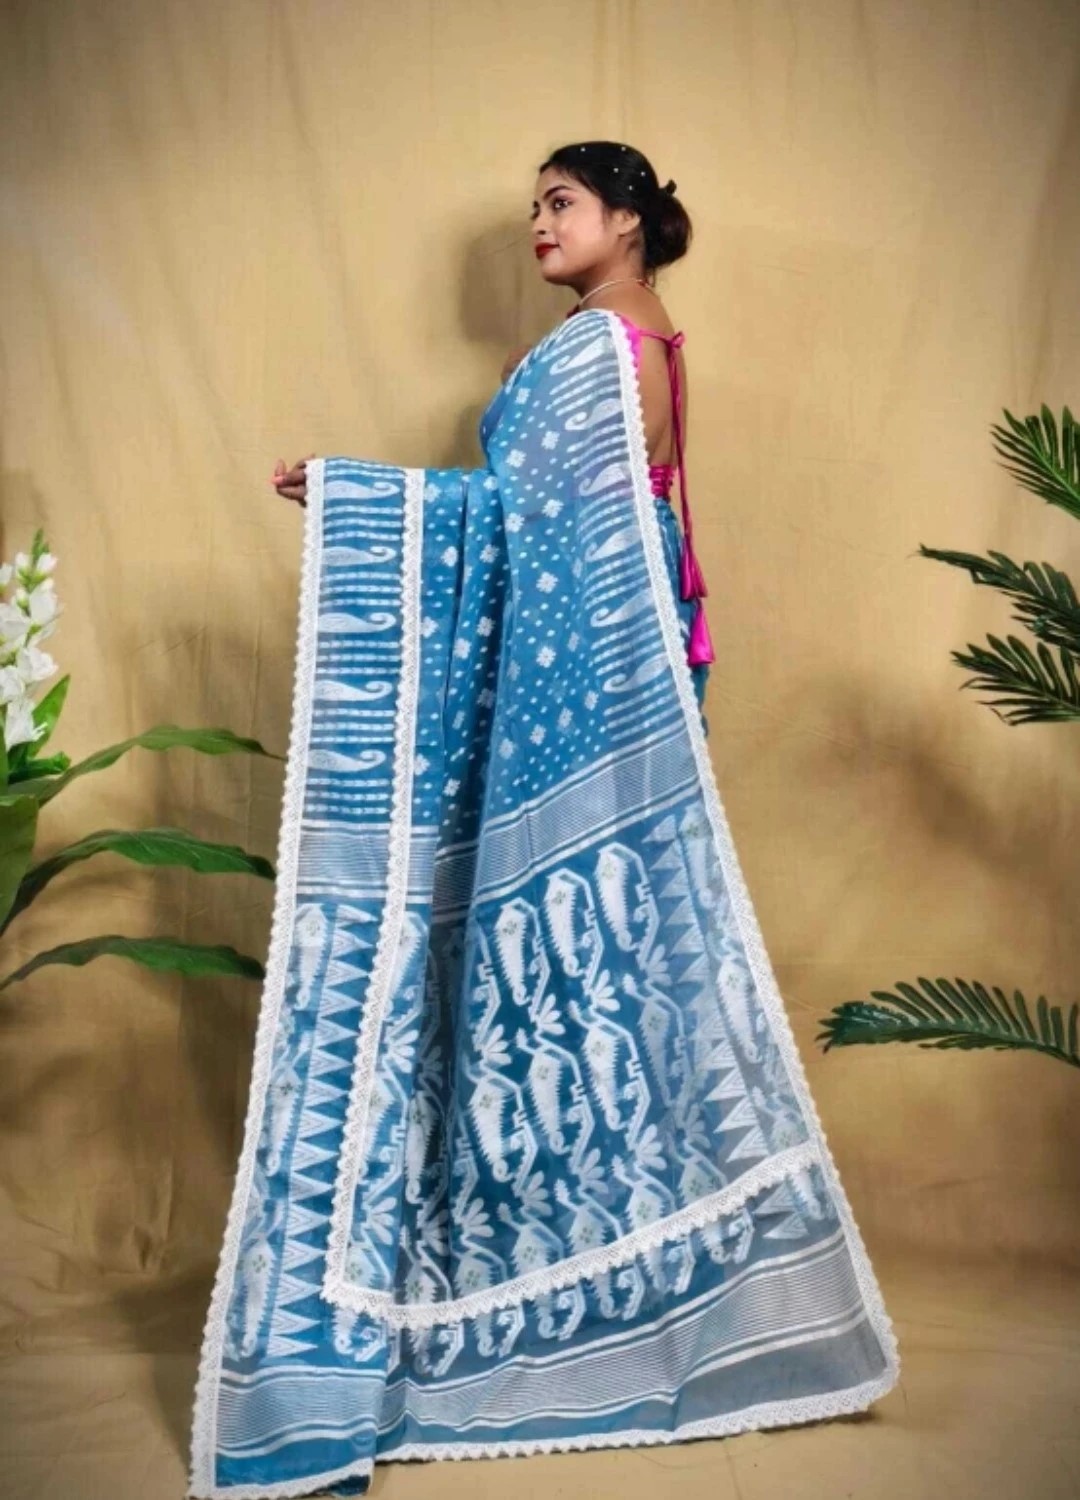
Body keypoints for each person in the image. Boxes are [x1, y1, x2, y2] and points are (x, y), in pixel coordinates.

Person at [188, 142, 899, 1500]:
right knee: (620, 976)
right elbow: (549, 519)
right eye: (532, 207)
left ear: (628, 218)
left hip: (595, 682)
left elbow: (544, 525)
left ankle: (609, 1286)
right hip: (629, 661)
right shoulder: (634, 343)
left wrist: (371, 496)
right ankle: (640, 1275)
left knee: (593, 974)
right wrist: (363, 489)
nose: (539, 223)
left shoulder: (605, 351)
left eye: (562, 202)